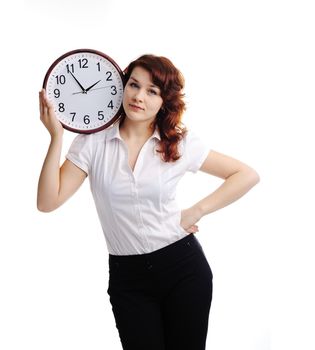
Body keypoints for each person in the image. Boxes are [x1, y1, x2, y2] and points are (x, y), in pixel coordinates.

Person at [37, 54, 260, 350]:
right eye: (134, 85)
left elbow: (245, 174)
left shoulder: (179, 143)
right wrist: (56, 137)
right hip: (128, 280)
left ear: (164, 101)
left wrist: (197, 210)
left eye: (152, 91)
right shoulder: (92, 143)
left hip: (183, 268)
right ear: (121, 87)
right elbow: (47, 201)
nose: (138, 96)